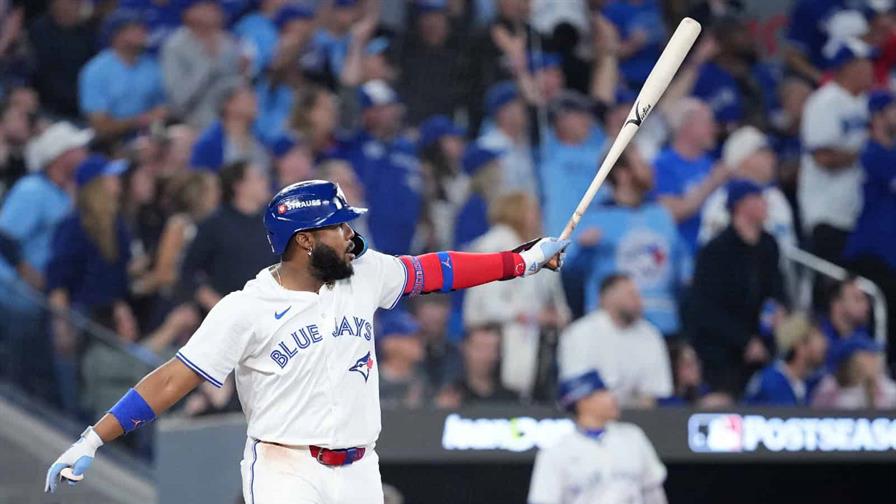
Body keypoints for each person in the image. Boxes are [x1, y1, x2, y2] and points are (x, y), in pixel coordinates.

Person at [45, 179, 570, 501]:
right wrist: (93, 438)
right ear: (304, 240)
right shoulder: (245, 309)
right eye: (337, 226)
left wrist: (520, 262)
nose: (349, 234)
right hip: (285, 468)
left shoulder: (364, 273)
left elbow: (437, 269)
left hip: (360, 466)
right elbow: (171, 380)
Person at [562, 151, 690, 335]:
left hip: (664, 326)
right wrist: (585, 250)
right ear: (622, 174)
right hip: (613, 328)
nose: (650, 170)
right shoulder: (594, 218)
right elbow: (571, 273)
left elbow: (683, 271)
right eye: (641, 164)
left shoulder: (661, 215)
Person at [687, 180, 787, 398]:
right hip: (723, 352)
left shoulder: (769, 245)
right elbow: (705, 308)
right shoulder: (715, 251)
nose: (766, 205)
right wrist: (744, 341)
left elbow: (777, 289)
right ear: (741, 205)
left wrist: (780, 310)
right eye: (759, 199)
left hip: (763, 346)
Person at [464, 192, 570, 396]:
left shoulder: (538, 248)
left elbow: (553, 297)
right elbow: (488, 304)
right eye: (531, 211)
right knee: (501, 400)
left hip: (535, 340)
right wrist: (534, 315)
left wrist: (557, 315)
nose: (537, 216)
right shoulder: (495, 244)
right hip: (497, 338)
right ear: (515, 213)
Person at [528, 369, 667, 504]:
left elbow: (654, 492)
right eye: (603, 392)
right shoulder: (557, 452)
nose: (612, 397)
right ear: (583, 401)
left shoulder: (633, 437)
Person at [798, 38, 873, 265]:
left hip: (853, 211)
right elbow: (823, 157)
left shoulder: (864, 101)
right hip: (825, 211)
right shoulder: (824, 101)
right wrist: (868, 154)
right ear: (848, 67)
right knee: (828, 284)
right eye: (865, 63)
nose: (871, 69)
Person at [335, 80, 423, 255]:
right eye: (382, 108)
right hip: (368, 240)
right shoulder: (353, 145)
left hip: (408, 243)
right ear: (365, 112)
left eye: (391, 106)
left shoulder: (406, 148)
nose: (391, 113)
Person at [559, 274, 672, 408]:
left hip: (637, 416)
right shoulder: (579, 333)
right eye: (631, 295)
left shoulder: (650, 335)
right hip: (588, 414)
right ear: (608, 298)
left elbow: (653, 393)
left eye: (638, 295)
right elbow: (577, 389)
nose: (639, 301)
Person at [177, 161, 274, 313]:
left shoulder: (271, 223)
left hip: (267, 313)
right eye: (259, 178)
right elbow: (188, 271)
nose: (266, 182)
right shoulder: (214, 224)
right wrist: (220, 307)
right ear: (240, 186)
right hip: (227, 317)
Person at [844, 90, 896, 360]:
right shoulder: (871, 152)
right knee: (878, 326)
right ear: (878, 116)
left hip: (890, 254)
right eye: (893, 109)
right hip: (872, 253)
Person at [699, 126, 797, 255]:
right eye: (763, 152)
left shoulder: (775, 196)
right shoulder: (722, 200)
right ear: (743, 159)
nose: (772, 157)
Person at [652, 98, 731, 254]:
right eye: (708, 123)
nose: (714, 129)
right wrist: (711, 183)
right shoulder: (662, 165)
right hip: (679, 256)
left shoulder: (713, 165)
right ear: (686, 125)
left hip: (714, 256)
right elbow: (670, 214)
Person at [78, 9, 167, 143]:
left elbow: (162, 107)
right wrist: (138, 121)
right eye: (135, 29)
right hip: (110, 143)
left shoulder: (151, 66)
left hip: (148, 137)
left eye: (143, 28)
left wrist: (157, 115)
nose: (143, 33)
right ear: (117, 35)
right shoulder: (96, 70)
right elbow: (100, 125)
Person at [161, 0, 244, 129]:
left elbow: (236, 87)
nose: (213, 11)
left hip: (228, 123)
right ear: (189, 12)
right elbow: (179, 101)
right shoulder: (175, 46)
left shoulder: (229, 43)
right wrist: (207, 63)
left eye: (214, 6)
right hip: (189, 124)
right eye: (206, 6)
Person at [539, 90, 607, 236]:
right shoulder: (545, 148)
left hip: (595, 232)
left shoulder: (597, 150)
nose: (587, 120)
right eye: (580, 114)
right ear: (561, 119)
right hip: (557, 236)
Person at [397, 0, 464, 125]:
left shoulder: (460, 52)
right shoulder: (406, 52)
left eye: (438, 17)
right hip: (415, 125)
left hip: (449, 125)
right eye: (428, 17)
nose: (433, 23)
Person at [27, 0, 97, 118]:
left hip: (82, 104)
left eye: (78, 3)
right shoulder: (38, 31)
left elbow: (93, 69)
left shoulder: (87, 33)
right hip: (48, 105)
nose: (76, 7)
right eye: (71, 2)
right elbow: (40, 72)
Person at [743, 313, 828, 406]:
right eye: (817, 336)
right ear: (800, 346)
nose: (824, 343)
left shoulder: (808, 383)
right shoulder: (772, 382)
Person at [190, 84, 270, 173]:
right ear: (228, 104)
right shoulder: (208, 143)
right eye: (246, 98)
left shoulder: (261, 140)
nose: (254, 101)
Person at [417, 114, 468, 251]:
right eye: (451, 139)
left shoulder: (460, 173)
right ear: (436, 144)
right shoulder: (421, 175)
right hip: (428, 250)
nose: (459, 143)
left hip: (456, 245)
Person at [477, 81, 538, 197]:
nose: (524, 112)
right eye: (519, 106)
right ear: (503, 112)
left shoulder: (524, 145)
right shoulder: (487, 146)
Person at [439, 324, 519, 407]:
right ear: (464, 349)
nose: (486, 356)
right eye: (480, 348)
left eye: (492, 349)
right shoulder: (451, 396)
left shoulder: (511, 400)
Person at [811, 337, 896, 410]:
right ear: (853, 361)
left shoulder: (882, 383)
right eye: (869, 356)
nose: (876, 361)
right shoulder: (829, 387)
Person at [453, 142, 504, 249]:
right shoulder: (474, 206)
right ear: (485, 172)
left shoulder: (487, 202)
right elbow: (466, 249)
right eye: (495, 164)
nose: (500, 169)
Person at [376, 310, 427, 409]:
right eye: (411, 337)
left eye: (420, 337)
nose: (419, 342)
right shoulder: (371, 381)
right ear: (390, 343)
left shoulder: (424, 380)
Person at [819, 277, 873, 368]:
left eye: (866, 300)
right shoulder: (818, 332)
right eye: (858, 299)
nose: (866, 306)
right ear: (838, 303)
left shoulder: (863, 334)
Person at [658, 341, 732, 408]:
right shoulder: (662, 396)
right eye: (688, 364)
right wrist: (699, 405)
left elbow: (724, 400)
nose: (696, 368)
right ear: (674, 367)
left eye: (696, 362)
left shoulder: (701, 389)